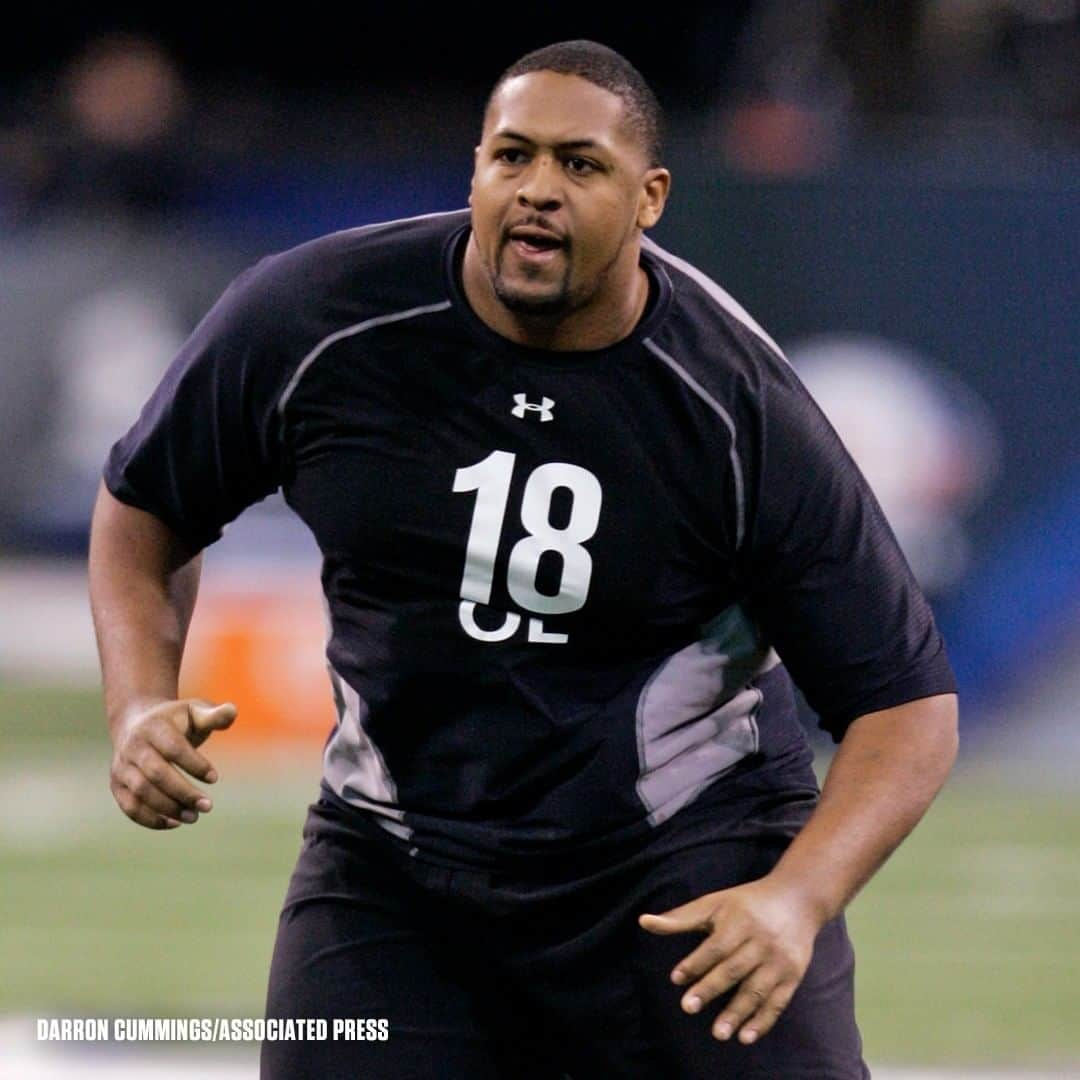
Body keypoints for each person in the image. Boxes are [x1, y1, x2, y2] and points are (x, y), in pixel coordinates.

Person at [88, 40, 959, 1079]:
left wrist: (795, 897)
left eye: (581, 165)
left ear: (650, 198)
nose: (539, 191)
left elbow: (907, 709)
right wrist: (138, 703)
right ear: (475, 171)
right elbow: (144, 509)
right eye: (513, 156)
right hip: (400, 866)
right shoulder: (317, 319)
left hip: (680, 864)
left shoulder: (733, 401)